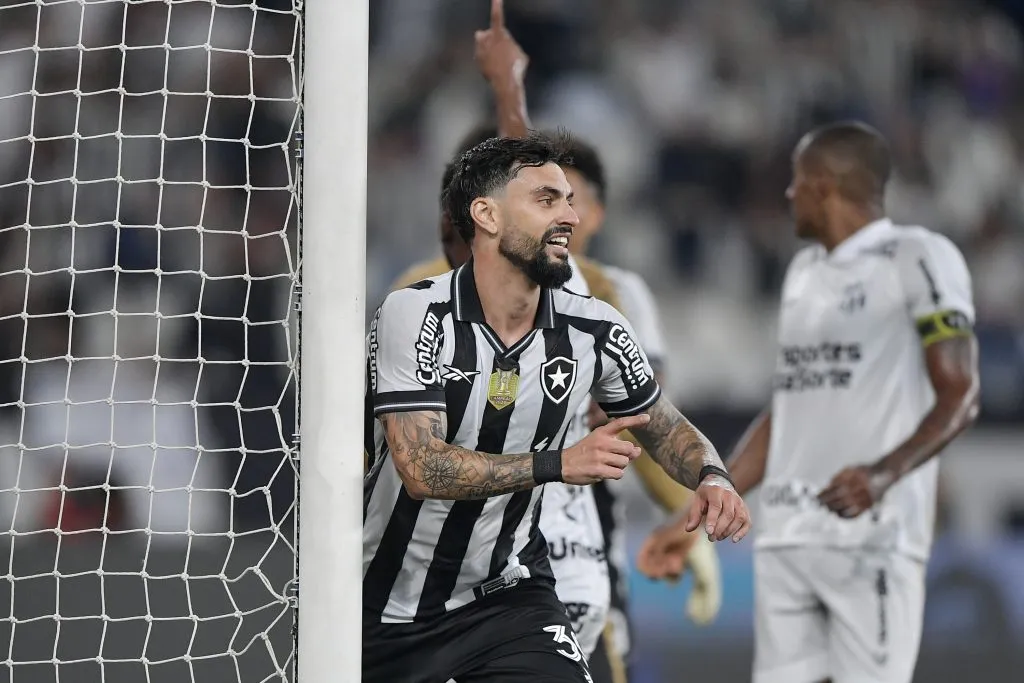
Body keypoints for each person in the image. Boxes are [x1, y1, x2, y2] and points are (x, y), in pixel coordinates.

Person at [363, 132, 751, 683]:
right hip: (384, 602)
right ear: (487, 215)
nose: (568, 214)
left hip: (506, 597)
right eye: (547, 200)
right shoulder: (416, 313)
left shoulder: (596, 327)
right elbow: (422, 467)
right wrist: (557, 464)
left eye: (569, 199)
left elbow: (662, 427)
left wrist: (712, 475)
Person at [638, 121, 980, 683]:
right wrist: (691, 517)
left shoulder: (919, 256)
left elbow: (961, 394)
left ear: (824, 185)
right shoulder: (802, 274)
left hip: (871, 538)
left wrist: (883, 474)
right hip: (788, 537)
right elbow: (788, 414)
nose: (790, 194)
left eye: (797, 183)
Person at [471, 5, 722, 677]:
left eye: (569, 198)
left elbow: (647, 415)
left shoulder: (610, 298)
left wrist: (696, 495)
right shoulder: (432, 297)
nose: (561, 211)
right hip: (494, 561)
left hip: (576, 547)